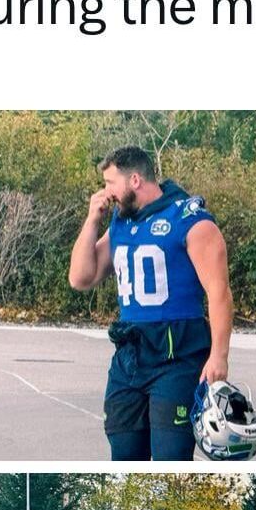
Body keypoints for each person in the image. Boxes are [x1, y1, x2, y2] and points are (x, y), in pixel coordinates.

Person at [69, 146, 233, 461]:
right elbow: (80, 278)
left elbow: (219, 293)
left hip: (177, 357)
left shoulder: (191, 221)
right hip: (130, 356)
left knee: (171, 457)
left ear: (134, 180)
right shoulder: (121, 223)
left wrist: (219, 356)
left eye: (110, 183)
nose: (106, 192)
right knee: (124, 456)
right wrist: (92, 221)